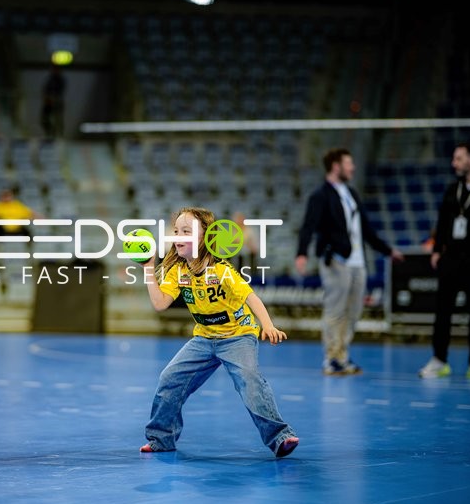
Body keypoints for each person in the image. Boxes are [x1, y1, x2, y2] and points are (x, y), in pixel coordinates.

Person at [138, 207, 299, 458]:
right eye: (176, 231)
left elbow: (250, 297)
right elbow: (160, 304)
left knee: (250, 379)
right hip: (203, 338)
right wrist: (149, 268)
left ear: (204, 239)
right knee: (169, 378)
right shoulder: (178, 271)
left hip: (237, 336)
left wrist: (267, 325)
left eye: (186, 231)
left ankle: (280, 437)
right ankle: (161, 439)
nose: (178, 236)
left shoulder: (222, 270)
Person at [296, 148, 404, 375]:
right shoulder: (321, 195)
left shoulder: (352, 194)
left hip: (358, 262)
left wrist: (387, 250)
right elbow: (309, 225)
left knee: (353, 312)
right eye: (348, 163)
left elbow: (366, 229)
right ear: (336, 166)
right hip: (336, 259)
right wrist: (302, 253)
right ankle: (330, 357)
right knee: (335, 310)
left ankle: (342, 355)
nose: (352, 168)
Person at [418, 143, 470, 380]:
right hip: (451, 260)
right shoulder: (451, 189)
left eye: (459, 158)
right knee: (442, 311)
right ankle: (439, 360)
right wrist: (437, 251)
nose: (454, 163)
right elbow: (443, 222)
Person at [40, 64, 66, 138]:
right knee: (44, 119)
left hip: (57, 102)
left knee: (58, 119)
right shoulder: (50, 79)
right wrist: (46, 97)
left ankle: (59, 135)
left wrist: (54, 98)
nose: (54, 71)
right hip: (48, 102)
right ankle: (49, 133)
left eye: (56, 70)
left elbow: (60, 91)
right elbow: (45, 89)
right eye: (53, 69)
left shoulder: (61, 80)